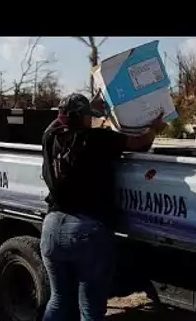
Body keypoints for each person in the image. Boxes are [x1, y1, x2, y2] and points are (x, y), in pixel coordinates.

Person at [40, 93, 166, 321]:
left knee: (59, 300)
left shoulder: (51, 137)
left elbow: (58, 121)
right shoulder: (98, 139)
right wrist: (154, 128)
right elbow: (141, 143)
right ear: (85, 118)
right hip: (86, 230)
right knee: (90, 309)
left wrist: (88, 107)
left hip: (51, 228)